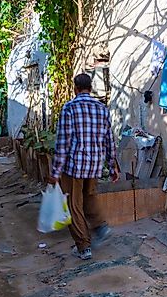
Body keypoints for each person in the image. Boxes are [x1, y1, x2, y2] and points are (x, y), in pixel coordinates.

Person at [49, 73, 120, 260]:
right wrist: (112, 167)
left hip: (74, 166)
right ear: (90, 88)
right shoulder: (102, 108)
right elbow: (109, 141)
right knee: (89, 197)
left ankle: (83, 246)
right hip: (95, 165)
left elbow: (63, 142)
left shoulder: (69, 108)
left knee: (73, 205)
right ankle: (101, 226)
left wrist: (55, 172)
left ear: (75, 88)